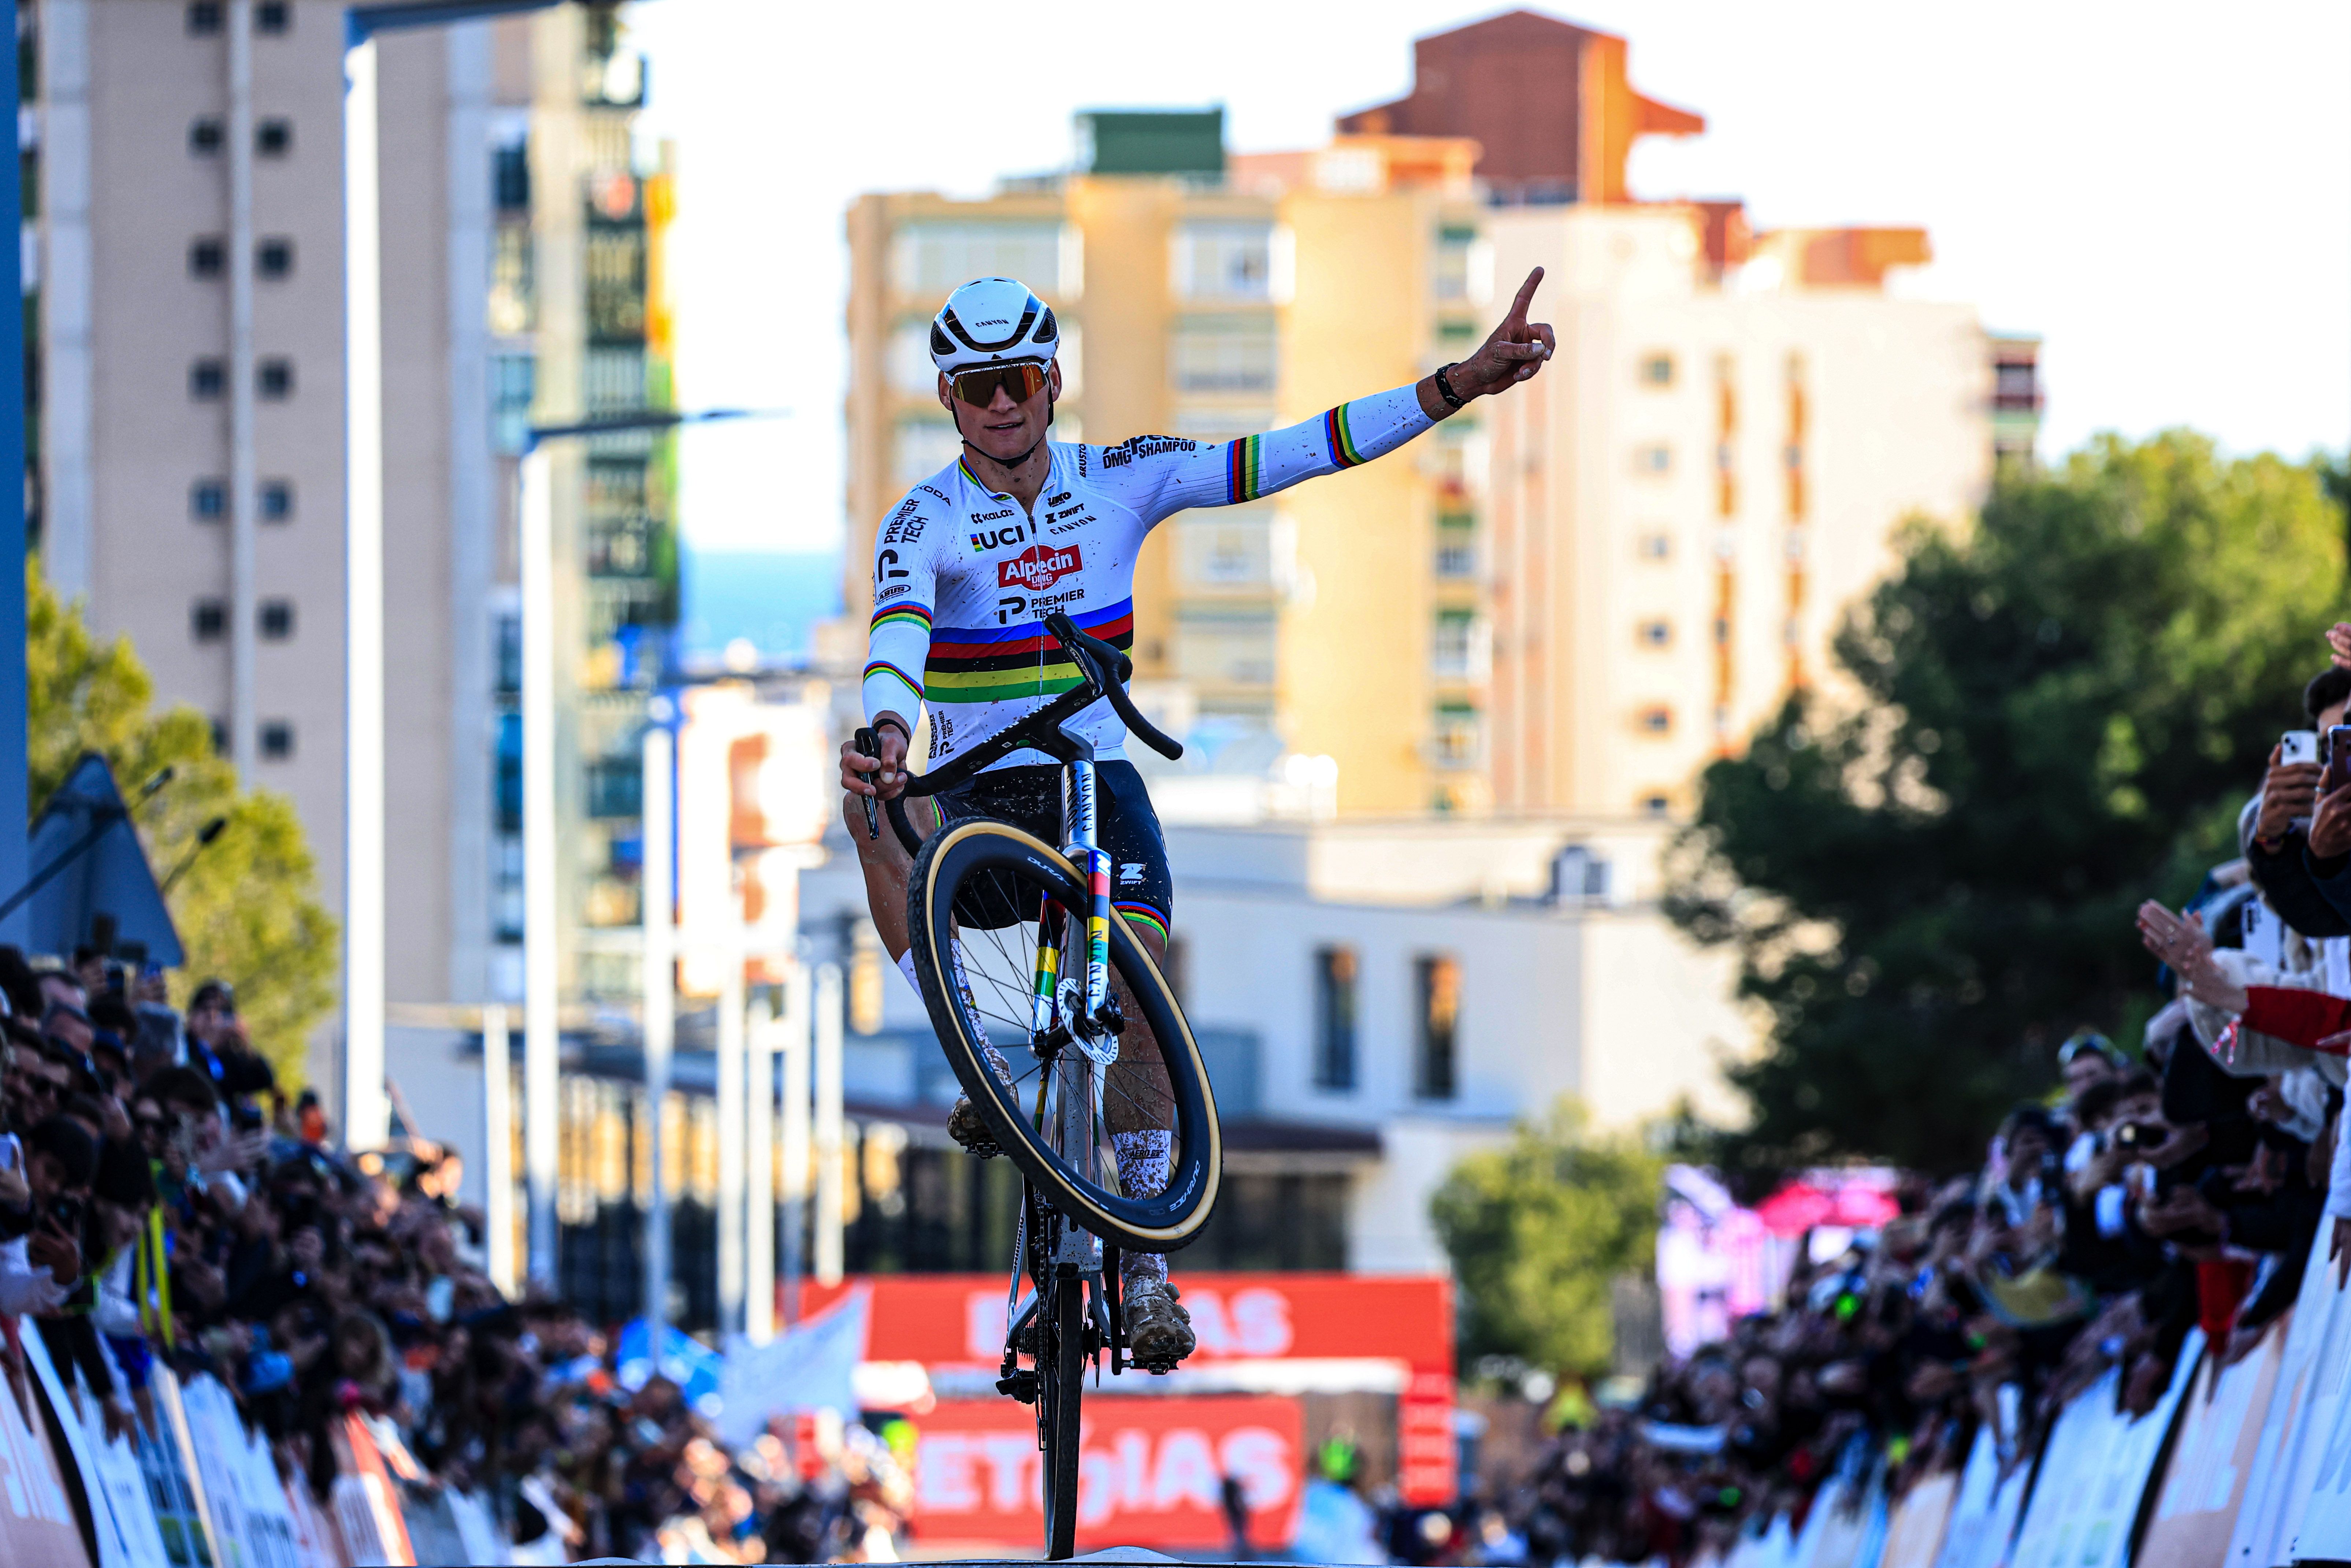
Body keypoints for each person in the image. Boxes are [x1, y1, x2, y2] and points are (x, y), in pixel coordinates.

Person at [841, 270, 1557, 1367]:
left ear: (1052, 381)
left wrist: (1456, 386)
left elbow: (1286, 454)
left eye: (1019, 379)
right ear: (947, 395)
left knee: (1131, 976)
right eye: (977, 385)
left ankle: (1145, 1271)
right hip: (978, 777)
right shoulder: (923, 520)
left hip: (1095, 768)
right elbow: (895, 638)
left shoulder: (1122, 477)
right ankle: (977, 1059)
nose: (1001, 402)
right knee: (866, 808)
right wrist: (885, 730)